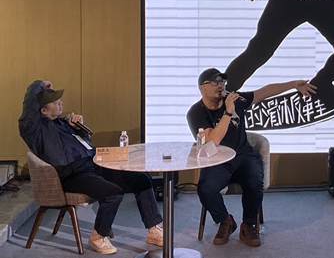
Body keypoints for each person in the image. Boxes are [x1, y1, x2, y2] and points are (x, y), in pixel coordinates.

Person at [18, 80, 163, 255]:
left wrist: (80, 128)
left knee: (142, 179)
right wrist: (40, 84)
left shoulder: (64, 123)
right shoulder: (34, 129)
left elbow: (86, 145)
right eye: (55, 102)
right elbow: (28, 106)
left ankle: (153, 229)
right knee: (113, 193)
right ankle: (98, 236)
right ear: (43, 110)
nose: (60, 102)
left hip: (95, 164)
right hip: (73, 174)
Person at [187, 68, 316, 246]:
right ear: (201, 88)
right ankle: (226, 221)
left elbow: (265, 91)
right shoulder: (196, 112)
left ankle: (248, 225)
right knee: (205, 188)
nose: (220, 85)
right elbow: (212, 141)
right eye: (214, 82)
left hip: (244, 157)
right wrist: (228, 112)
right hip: (217, 160)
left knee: (255, 182)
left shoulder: (235, 99)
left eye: (222, 81)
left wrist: (293, 84)